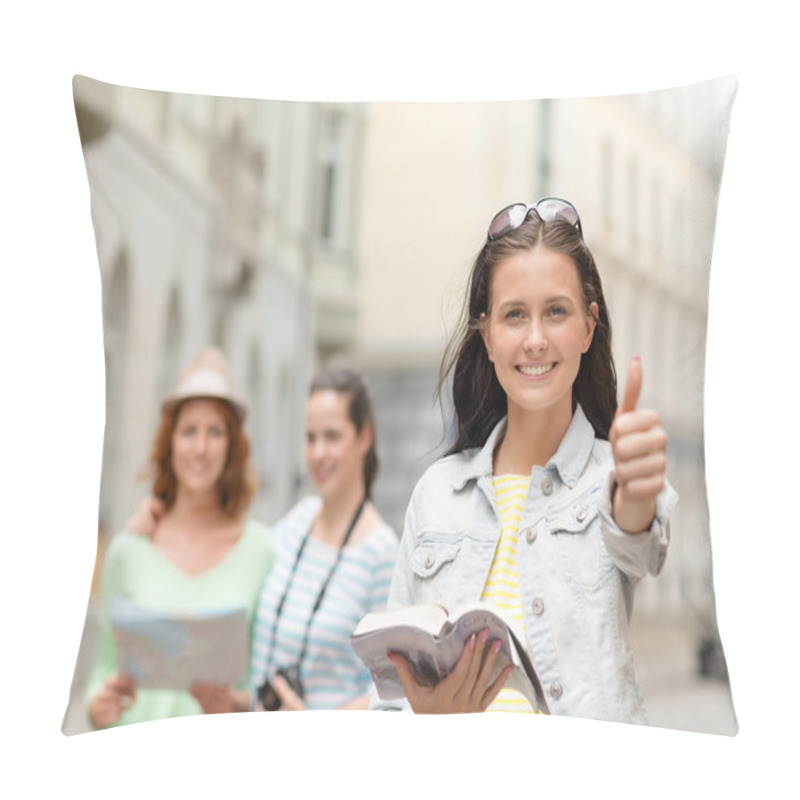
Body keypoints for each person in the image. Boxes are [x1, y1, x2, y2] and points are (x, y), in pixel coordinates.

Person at [374, 198, 678, 723]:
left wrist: (635, 491)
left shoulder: (616, 476)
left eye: (556, 312)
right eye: (515, 315)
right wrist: (428, 720)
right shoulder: (435, 495)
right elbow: (391, 695)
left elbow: (635, 537)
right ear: (487, 335)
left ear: (588, 327)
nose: (535, 340)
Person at [85, 348, 276, 729]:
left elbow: (268, 684)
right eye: (189, 431)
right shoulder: (127, 551)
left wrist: (242, 706)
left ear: (233, 445)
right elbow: (102, 671)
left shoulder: (263, 552)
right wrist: (96, 706)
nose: (201, 448)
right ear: (170, 440)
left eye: (215, 432)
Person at [250, 365, 398, 711]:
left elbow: (393, 689)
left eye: (332, 437)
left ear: (364, 437)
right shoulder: (295, 523)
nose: (318, 454)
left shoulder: (382, 554)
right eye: (310, 437)